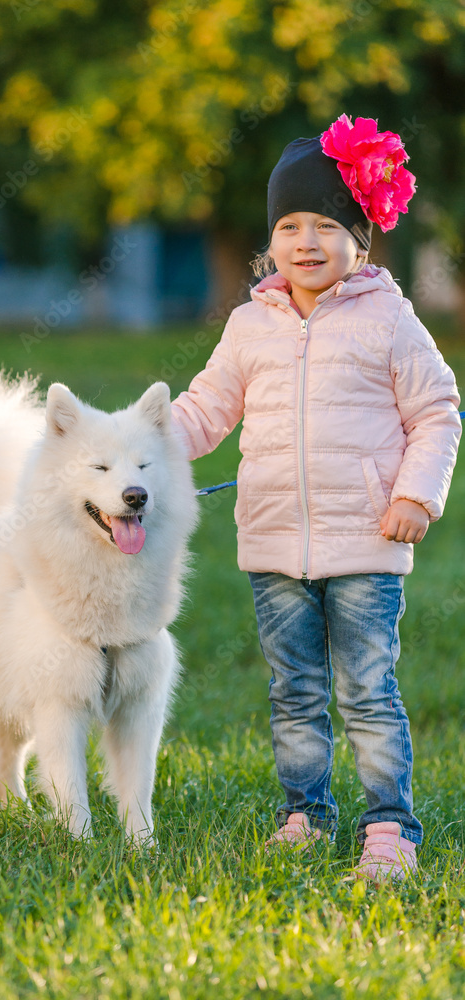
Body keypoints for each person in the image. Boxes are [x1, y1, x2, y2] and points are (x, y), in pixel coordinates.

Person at [170, 114, 462, 883]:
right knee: (293, 691)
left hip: (366, 539)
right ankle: (305, 813)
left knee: (367, 689)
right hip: (273, 542)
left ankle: (391, 826)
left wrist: (416, 498)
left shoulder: (390, 319)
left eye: (327, 224)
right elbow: (206, 408)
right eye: (290, 224)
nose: (306, 240)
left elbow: (436, 412)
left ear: (359, 241)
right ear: (270, 241)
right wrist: (146, 441)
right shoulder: (247, 326)